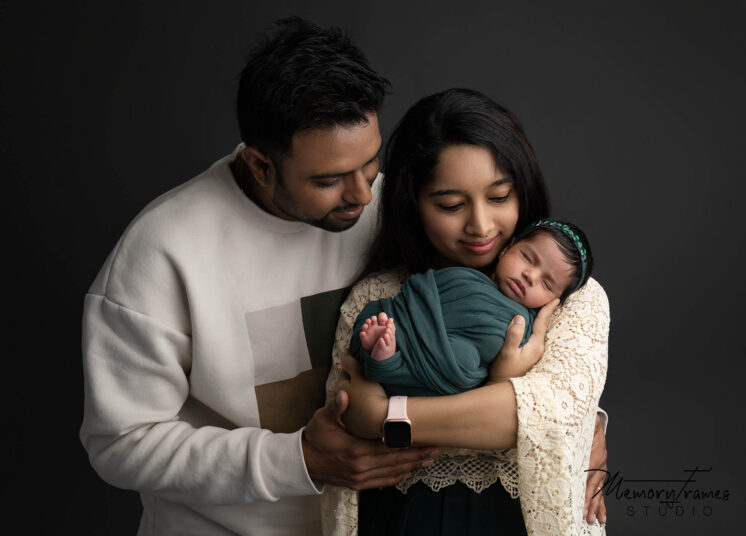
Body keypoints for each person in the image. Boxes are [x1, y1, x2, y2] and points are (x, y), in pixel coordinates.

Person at [79, 18, 440, 536]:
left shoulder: (390, 206)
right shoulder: (162, 252)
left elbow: (518, 295)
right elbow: (120, 443)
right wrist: (298, 461)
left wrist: (582, 424)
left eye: (370, 163)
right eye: (329, 179)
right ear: (260, 165)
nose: (363, 194)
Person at [321, 88, 609, 534]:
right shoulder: (378, 294)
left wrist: (384, 418)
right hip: (399, 517)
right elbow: (344, 411)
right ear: (412, 203)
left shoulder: (573, 297)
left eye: (499, 197)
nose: (480, 225)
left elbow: (547, 416)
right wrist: (498, 397)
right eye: (451, 205)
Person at [353, 219, 593, 396]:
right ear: (507, 249)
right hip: (412, 321)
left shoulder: (526, 324)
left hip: (450, 367)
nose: (530, 276)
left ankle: (388, 361)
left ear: (555, 301)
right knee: (383, 314)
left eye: (547, 283)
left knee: (466, 359)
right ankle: (388, 347)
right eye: (528, 258)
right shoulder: (465, 274)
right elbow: (424, 290)